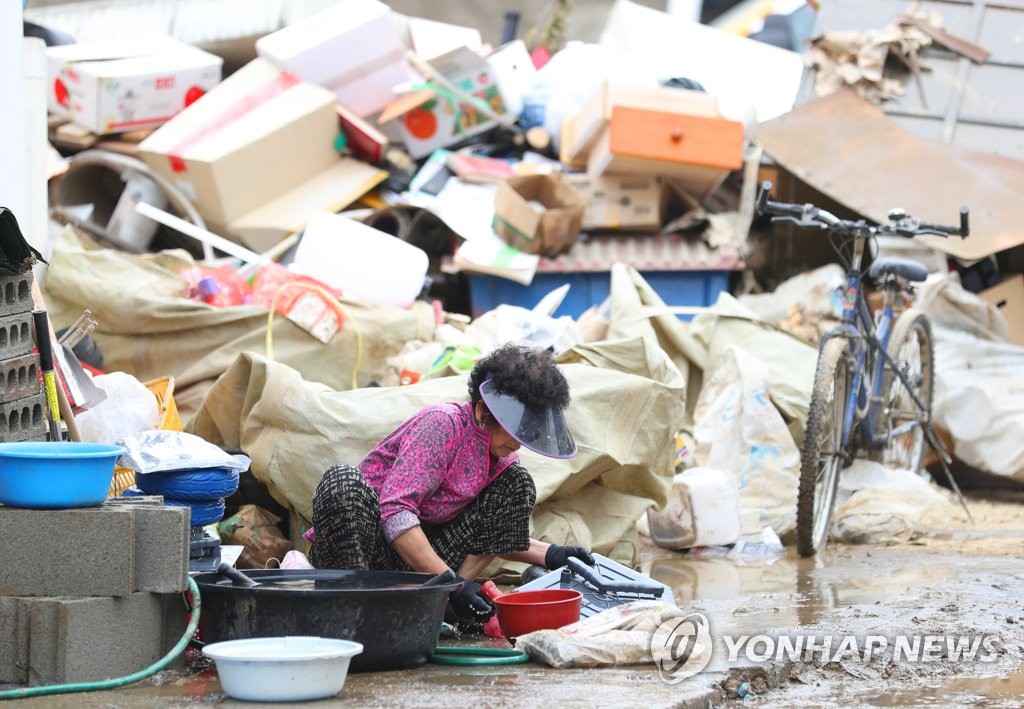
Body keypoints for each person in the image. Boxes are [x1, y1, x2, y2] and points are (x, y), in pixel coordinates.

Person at [308, 343, 594, 628]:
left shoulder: (500, 460)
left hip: (418, 568)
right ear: (483, 412)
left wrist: (551, 553)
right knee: (341, 481)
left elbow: (497, 535)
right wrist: (452, 584)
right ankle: (350, 615)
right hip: (364, 555)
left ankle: (443, 608)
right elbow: (395, 512)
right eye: (513, 431)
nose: (517, 443)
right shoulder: (442, 425)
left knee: (517, 483)